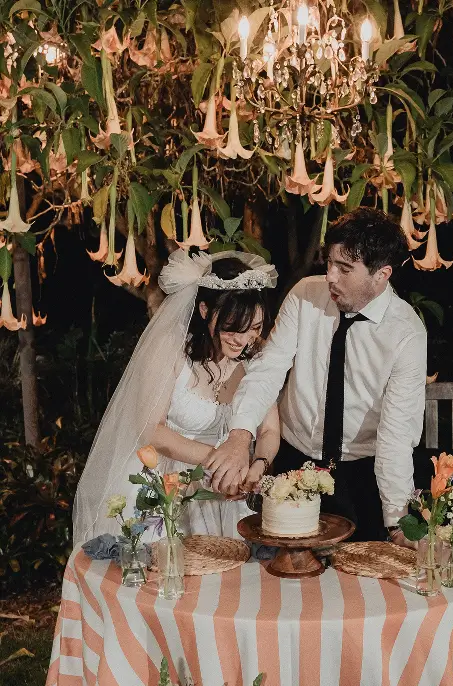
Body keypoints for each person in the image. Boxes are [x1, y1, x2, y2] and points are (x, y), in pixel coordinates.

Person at [205, 207, 427, 544]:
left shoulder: (407, 334)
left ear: (381, 274)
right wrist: (239, 437)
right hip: (293, 461)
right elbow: (268, 370)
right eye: (330, 263)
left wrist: (397, 520)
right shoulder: (305, 295)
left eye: (344, 269)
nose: (331, 277)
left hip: (359, 471)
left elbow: (396, 435)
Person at [72, 250, 280, 546]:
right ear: (206, 310)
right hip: (170, 481)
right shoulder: (170, 350)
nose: (244, 339)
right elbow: (150, 430)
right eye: (233, 328)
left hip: (231, 486)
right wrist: (219, 461)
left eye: (254, 328)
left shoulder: (255, 356)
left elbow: (270, 429)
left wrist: (256, 465)